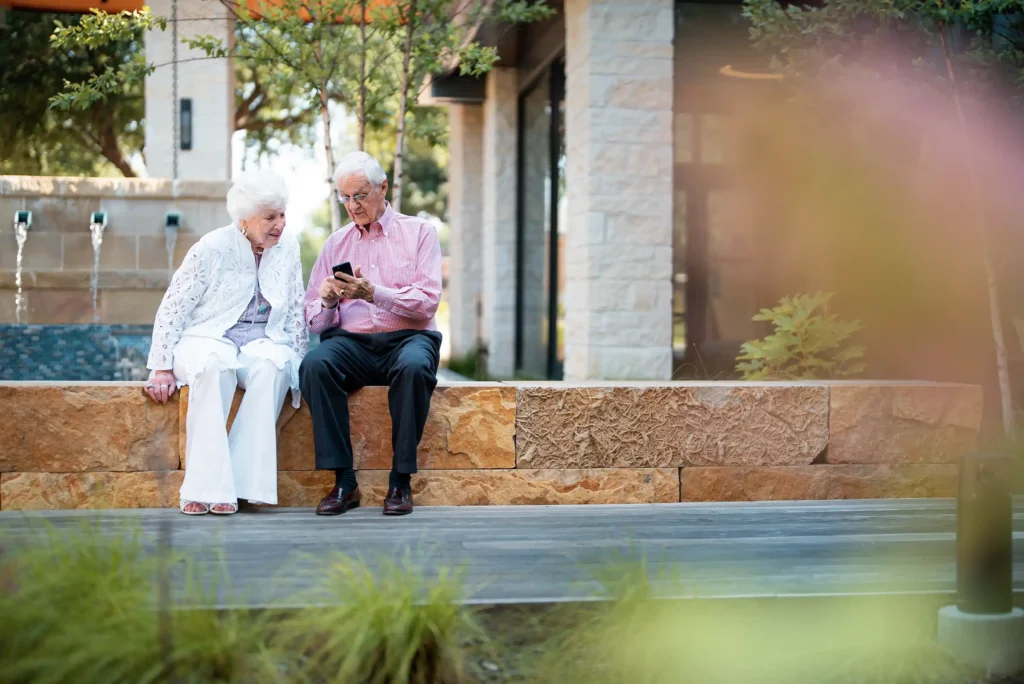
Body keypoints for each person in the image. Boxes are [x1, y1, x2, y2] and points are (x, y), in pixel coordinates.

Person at [145, 172, 308, 516]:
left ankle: (243, 482)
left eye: (282, 214)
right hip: (208, 335)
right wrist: (160, 366)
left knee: (274, 366)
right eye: (270, 217)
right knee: (215, 365)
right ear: (244, 219)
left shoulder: (288, 246)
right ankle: (205, 488)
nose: (279, 224)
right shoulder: (212, 247)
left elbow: (295, 308)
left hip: (263, 339)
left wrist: (298, 362)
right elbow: (174, 307)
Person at [300, 151, 443, 517]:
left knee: (414, 368)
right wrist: (329, 301)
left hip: (409, 338)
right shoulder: (336, 243)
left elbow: (427, 303)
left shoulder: (420, 233)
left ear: (384, 188)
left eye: (360, 195)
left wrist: (372, 292)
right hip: (353, 344)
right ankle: (345, 481)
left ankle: (401, 480)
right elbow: (314, 321)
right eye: (344, 198)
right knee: (315, 365)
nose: (352, 206)